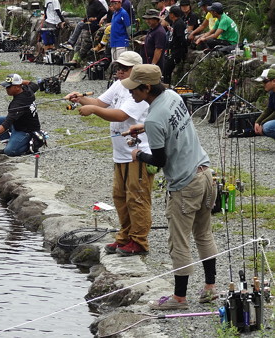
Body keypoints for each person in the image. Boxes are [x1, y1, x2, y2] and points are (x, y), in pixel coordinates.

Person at [122, 64, 218, 309]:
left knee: (179, 241)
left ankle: (179, 298)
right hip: (206, 174)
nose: (131, 93)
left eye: (134, 89)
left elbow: (159, 161)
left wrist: (137, 154)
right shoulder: (174, 96)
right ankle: (210, 289)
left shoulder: (154, 117)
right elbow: (172, 125)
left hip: (185, 185)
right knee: (204, 234)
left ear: (146, 88)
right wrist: (143, 127)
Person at [64, 51, 154, 256]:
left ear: (136, 71)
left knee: (137, 198)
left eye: (125, 68)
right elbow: (100, 103)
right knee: (120, 197)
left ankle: (139, 242)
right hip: (120, 153)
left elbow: (121, 114)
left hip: (138, 153)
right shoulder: (118, 85)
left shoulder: (140, 92)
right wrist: (81, 99)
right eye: (118, 68)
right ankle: (124, 237)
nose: (119, 71)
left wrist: (93, 111)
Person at [0, 74, 41, 156]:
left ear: (17, 87)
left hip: (27, 130)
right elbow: (34, 85)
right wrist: (19, 81)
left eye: (8, 87)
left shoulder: (18, 103)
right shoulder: (26, 89)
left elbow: (8, 122)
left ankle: (31, 145)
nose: (6, 89)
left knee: (10, 152)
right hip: (18, 123)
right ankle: (10, 143)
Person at [163, 6, 187, 85]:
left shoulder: (179, 23)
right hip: (172, 49)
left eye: (169, 13)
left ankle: (167, 86)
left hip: (177, 51)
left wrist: (182, 52)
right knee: (165, 69)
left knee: (167, 69)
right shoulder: (174, 23)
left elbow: (181, 38)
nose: (169, 15)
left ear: (173, 14)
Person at [254, 68, 275, 139]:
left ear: (274, 81)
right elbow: (269, 109)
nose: (263, 84)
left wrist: (262, 123)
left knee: (267, 127)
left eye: (265, 82)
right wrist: (257, 122)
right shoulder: (272, 93)